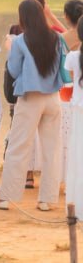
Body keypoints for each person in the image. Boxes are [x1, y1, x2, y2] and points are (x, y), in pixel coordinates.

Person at [0, 0, 67, 212]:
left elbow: (14, 70)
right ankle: (46, 200)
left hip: (30, 98)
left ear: (22, 17)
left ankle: (6, 198)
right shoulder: (56, 38)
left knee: (18, 147)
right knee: (52, 150)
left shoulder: (20, 41)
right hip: (53, 98)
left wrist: (9, 49)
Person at [65, 18, 83, 208]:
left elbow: (70, 76)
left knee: (79, 158)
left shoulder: (73, 57)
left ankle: (77, 204)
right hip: (78, 109)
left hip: (79, 111)